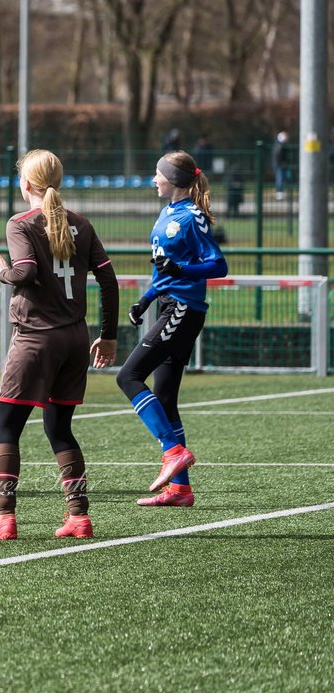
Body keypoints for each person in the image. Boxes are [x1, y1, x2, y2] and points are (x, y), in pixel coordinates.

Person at [0, 150, 119, 540]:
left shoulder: (21, 223)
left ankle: (5, 517)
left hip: (35, 340)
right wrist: (108, 336)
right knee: (60, 429)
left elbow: (24, 272)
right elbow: (108, 282)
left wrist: (1, 272)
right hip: (74, 340)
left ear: (25, 184)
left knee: (7, 428)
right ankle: (79, 516)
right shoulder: (81, 223)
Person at [116, 150, 227, 507]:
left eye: (157, 174)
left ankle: (173, 451)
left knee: (128, 376)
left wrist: (183, 273)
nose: (153, 180)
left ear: (174, 180)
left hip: (182, 309)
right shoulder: (168, 212)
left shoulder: (193, 217)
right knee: (165, 399)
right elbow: (166, 268)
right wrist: (146, 299)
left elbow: (218, 265)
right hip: (168, 305)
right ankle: (180, 489)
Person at [272, 130, 290, 199]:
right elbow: (278, 156)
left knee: (281, 179)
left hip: (280, 165)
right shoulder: (280, 145)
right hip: (279, 165)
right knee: (280, 179)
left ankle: (281, 192)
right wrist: (282, 163)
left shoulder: (280, 145)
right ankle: (279, 193)